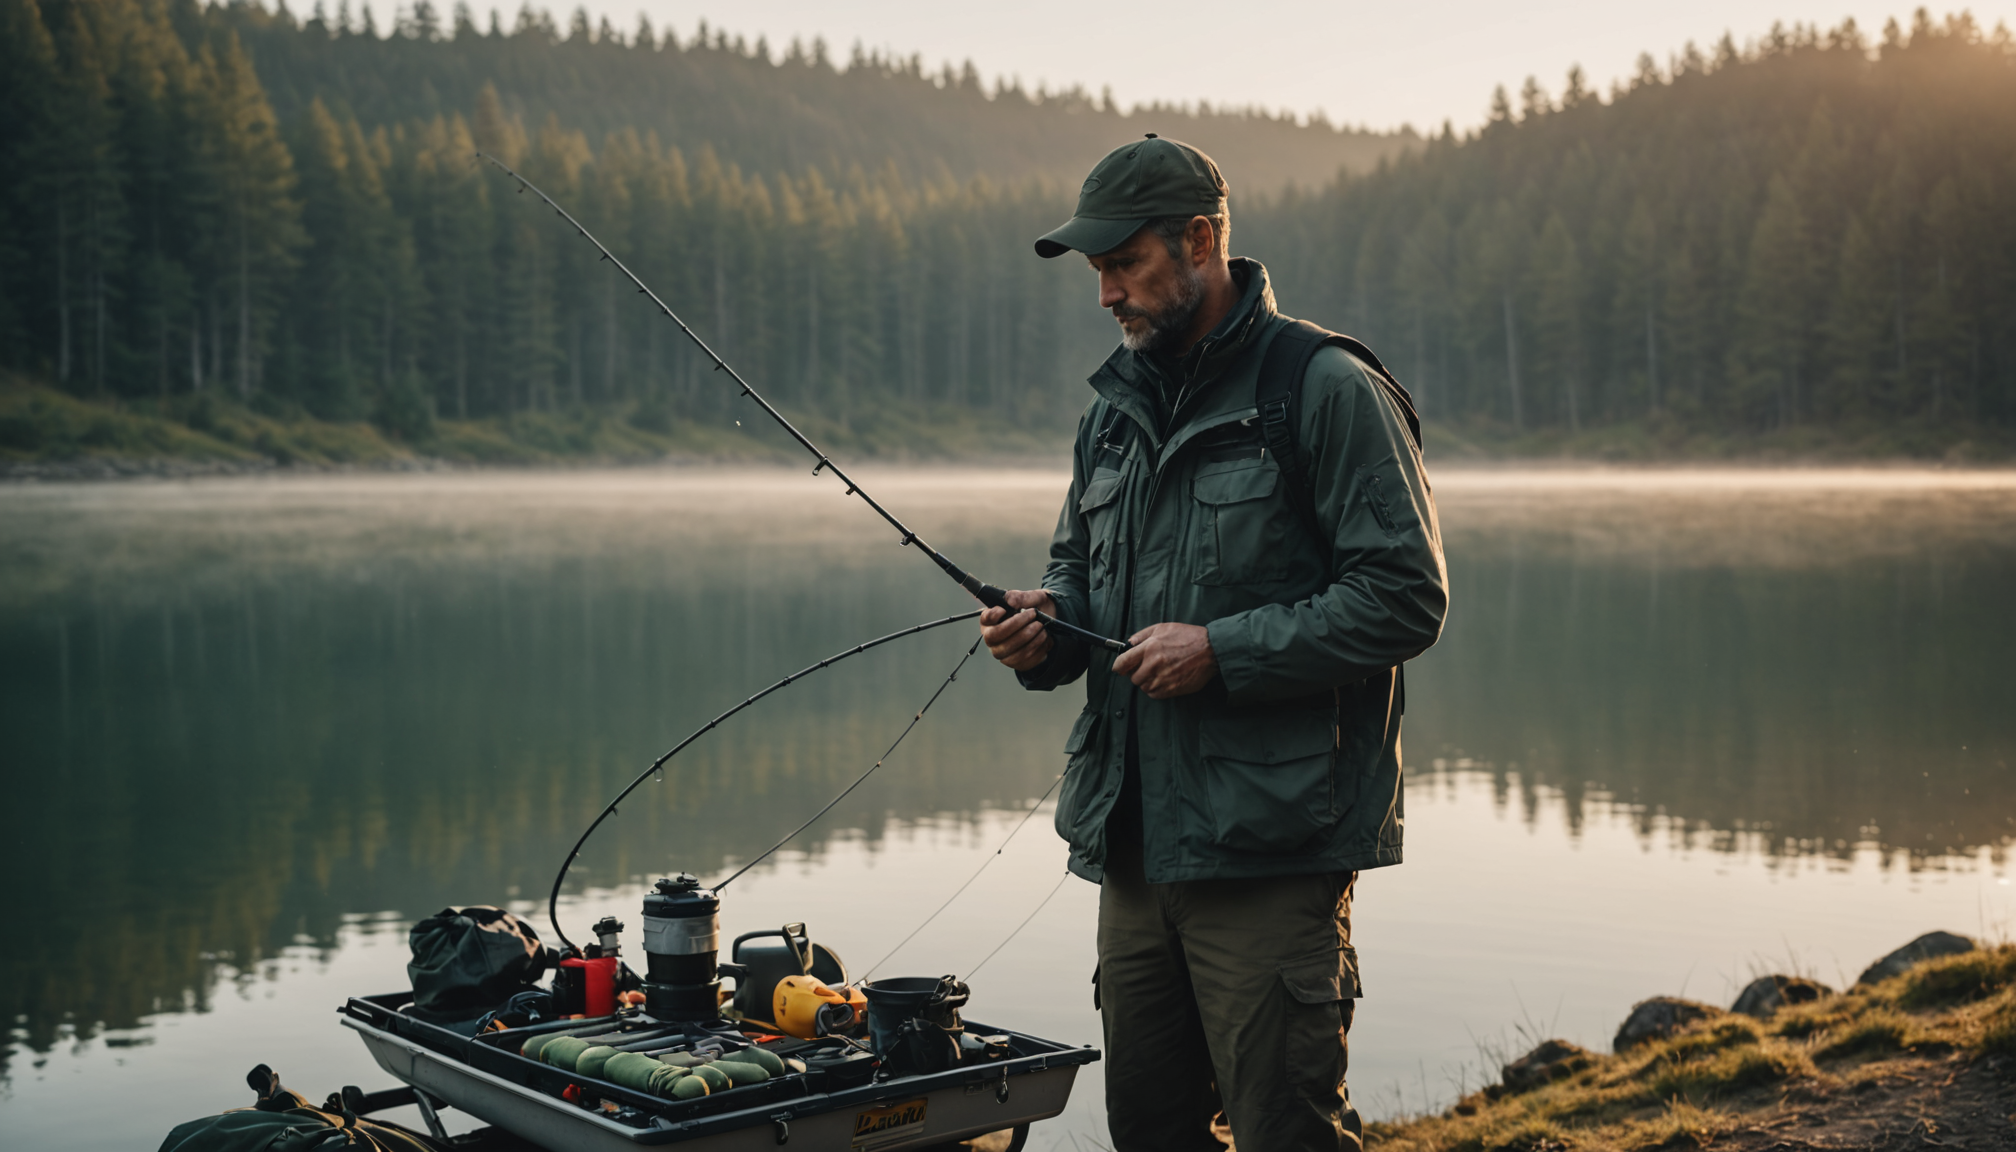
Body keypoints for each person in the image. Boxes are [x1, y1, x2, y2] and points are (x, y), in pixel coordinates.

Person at [979, 135, 1448, 1152]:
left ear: (1201, 241)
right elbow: (1077, 574)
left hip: (1272, 856)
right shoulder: (1111, 415)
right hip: (1136, 854)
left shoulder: (1323, 388)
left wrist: (1222, 651)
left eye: (1123, 264)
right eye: (1096, 271)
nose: (1105, 293)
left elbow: (1406, 597)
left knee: (1288, 1133)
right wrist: (1042, 628)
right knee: (1149, 1134)